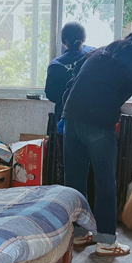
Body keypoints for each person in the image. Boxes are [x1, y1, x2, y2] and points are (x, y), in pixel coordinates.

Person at [59, 27, 132, 257]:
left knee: (74, 181)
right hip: (98, 124)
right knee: (105, 183)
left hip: (71, 119)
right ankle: (106, 241)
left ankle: (78, 233)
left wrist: (66, 115)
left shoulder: (100, 52)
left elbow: (72, 84)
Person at [44, 22, 95, 187]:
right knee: (93, 167)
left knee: (67, 166)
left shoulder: (56, 64)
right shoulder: (93, 57)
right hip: (93, 121)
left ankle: (69, 201)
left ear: (63, 42)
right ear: (84, 38)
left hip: (65, 121)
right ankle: (89, 203)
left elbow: (51, 95)